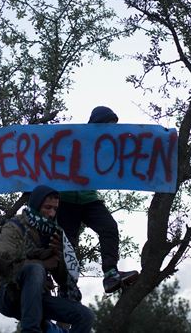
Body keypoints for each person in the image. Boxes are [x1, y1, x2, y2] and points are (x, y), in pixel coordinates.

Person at [57, 106, 139, 294]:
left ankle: (110, 274)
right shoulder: (75, 140)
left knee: (109, 227)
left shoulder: (108, 144)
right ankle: (66, 286)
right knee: (68, 244)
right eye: (108, 125)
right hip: (66, 199)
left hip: (88, 198)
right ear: (97, 124)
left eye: (114, 126)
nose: (112, 129)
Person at [0, 185, 94, 333]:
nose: (52, 213)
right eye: (47, 207)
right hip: (8, 293)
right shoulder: (13, 227)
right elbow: (6, 264)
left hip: (37, 298)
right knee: (36, 269)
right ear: (36, 205)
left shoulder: (54, 233)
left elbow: (62, 279)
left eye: (55, 209)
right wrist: (44, 264)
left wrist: (60, 255)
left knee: (86, 316)